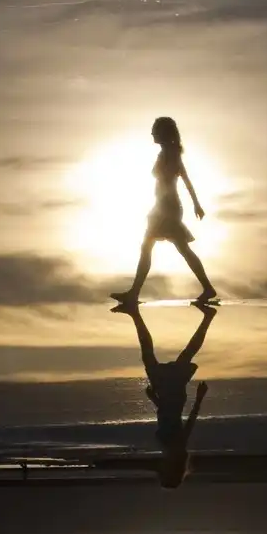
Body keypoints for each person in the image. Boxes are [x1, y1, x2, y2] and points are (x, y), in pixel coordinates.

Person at [110, 116, 218, 305]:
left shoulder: (170, 153)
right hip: (165, 206)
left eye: (155, 129)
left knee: (151, 247)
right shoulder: (169, 152)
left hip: (166, 207)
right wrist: (195, 204)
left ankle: (134, 293)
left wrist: (195, 204)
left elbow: (182, 179)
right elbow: (185, 179)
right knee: (178, 249)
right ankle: (207, 288)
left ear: (163, 133)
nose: (152, 133)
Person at [115, 301, 216, 488]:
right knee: (176, 355)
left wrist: (154, 399)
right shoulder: (177, 448)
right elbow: (189, 421)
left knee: (154, 356)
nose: (161, 469)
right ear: (172, 471)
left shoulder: (168, 450)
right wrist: (200, 396)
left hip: (165, 396)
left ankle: (134, 313)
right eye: (165, 473)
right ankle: (208, 316)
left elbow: (165, 416)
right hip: (173, 395)